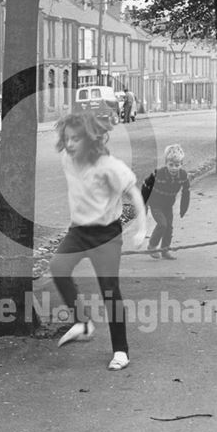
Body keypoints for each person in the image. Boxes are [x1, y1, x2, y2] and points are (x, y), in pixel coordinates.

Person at [51, 112, 147, 371]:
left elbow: (134, 194)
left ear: (90, 140)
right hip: (79, 231)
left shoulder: (109, 165)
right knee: (58, 268)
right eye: (67, 138)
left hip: (106, 234)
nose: (70, 144)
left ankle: (120, 351)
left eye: (76, 139)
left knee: (109, 291)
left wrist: (141, 229)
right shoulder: (66, 158)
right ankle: (82, 323)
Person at [141, 144, 191, 260]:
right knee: (162, 224)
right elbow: (145, 187)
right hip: (155, 204)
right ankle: (152, 246)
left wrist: (183, 209)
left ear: (181, 164)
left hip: (168, 205)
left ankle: (165, 250)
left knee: (169, 228)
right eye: (171, 165)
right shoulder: (158, 174)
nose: (174, 168)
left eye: (177, 165)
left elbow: (186, 192)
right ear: (166, 163)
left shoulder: (183, 175)